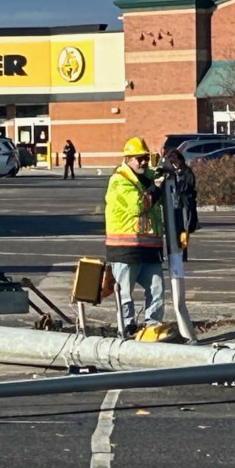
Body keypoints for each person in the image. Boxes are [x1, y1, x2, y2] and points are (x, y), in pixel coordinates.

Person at [104, 137, 164, 337]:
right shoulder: (119, 180)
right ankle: (126, 328)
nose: (143, 162)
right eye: (139, 158)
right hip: (125, 248)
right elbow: (139, 205)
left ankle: (153, 327)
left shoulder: (147, 176)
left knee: (156, 289)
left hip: (149, 248)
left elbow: (158, 178)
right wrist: (156, 188)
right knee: (125, 293)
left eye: (146, 158)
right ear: (128, 158)